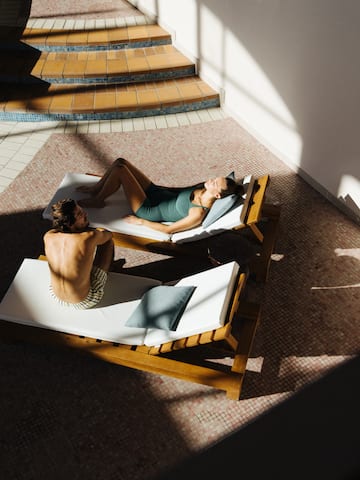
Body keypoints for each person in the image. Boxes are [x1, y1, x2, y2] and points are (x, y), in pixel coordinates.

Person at [77, 158, 244, 235]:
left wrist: (140, 221)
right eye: (215, 178)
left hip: (148, 209)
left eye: (215, 183)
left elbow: (168, 230)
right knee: (121, 162)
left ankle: (98, 200)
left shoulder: (198, 213)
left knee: (121, 171)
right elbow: (179, 191)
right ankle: (95, 190)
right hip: (158, 193)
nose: (211, 180)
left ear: (217, 195)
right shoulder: (203, 187)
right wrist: (153, 187)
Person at [44, 198, 120, 309]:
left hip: (56, 296)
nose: (85, 213)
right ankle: (107, 271)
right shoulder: (88, 237)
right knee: (107, 241)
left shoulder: (48, 236)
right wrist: (93, 232)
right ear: (69, 222)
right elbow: (108, 234)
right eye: (80, 214)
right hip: (85, 300)